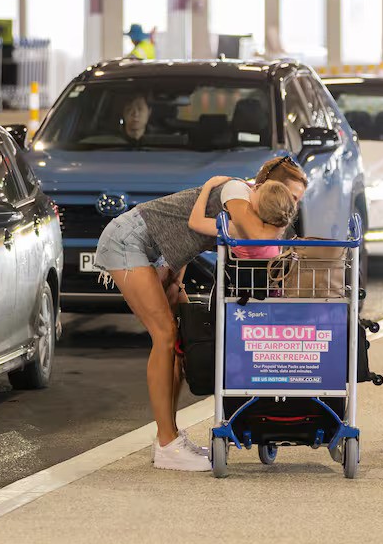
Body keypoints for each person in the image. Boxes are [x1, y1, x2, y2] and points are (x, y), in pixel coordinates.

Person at [92, 156, 309, 471]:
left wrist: (175, 278)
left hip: (155, 249)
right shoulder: (238, 192)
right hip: (128, 240)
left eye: (297, 200)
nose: (291, 206)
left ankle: (171, 438)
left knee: (176, 341)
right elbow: (259, 236)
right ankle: (167, 444)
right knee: (164, 335)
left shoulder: (252, 206)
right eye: (290, 196)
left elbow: (185, 236)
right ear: (265, 186)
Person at [186, 174, 298, 259]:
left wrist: (208, 186)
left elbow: (195, 222)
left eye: (256, 191)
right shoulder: (276, 227)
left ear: (257, 207)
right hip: (271, 285)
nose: (253, 189)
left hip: (248, 285)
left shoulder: (239, 229)